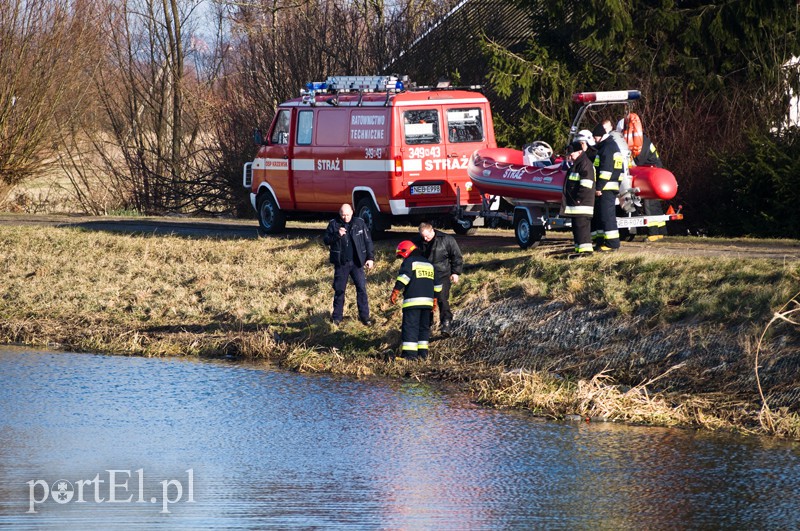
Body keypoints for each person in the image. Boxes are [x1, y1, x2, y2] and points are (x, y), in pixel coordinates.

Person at [322, 203, 375, 326]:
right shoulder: (333, 224)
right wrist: (337, 235)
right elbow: (326, 240)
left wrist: (370, 258)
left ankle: (364, 317)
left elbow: (368, 242)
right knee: (339, 290)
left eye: (347, 214)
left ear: (352, 212)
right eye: (343, 215)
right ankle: (337, 318)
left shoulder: (360, 223)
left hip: (357, 262)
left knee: (361, 288)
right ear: (339, 213)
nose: (345, 217)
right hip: (341, 263)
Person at [389, 241, 440, 359]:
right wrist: (435, 299)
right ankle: (422, 355)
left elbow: (404, 277)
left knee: (410, 327)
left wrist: (396, 291)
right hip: (427, 303)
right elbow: (437, 284)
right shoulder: (429, 264)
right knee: (423, 328)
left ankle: (409, 355)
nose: (402, 259)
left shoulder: (410, 261)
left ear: (405, 252)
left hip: (413, 301)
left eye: (401, 256)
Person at [414, 222, 463, 332]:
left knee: (441, 298)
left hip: (442, 274)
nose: (426, 239)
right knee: (426, 301)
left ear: (432, 231)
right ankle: (427, 324)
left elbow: (456, 256)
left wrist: (456, 273)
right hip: (424, 276)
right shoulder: (417, 242)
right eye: (423, 237)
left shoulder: (446, 239)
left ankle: (446, 323)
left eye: (427, 236)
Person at [590, 122, 624, 251]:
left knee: (607, 216)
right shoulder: (609, 146)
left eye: (595, 137)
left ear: (600, 136)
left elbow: (606, 171)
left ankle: (612, 244)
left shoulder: (607, 148)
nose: (594, 140)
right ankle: (601, 241)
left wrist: (599, 187)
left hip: (606, 188)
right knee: (601, 215)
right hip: (608, 187)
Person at [561, 140, 596, 256]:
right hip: (577, 205)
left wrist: (578, 200)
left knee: (582, 229)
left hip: (582, 205)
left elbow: (586, 185)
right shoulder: (577, 164)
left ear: (579, 151)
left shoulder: (585, 164)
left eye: (572, 154)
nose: (570, 157)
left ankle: (585, 252)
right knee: (577, 229)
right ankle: (579, 251)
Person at [634, 133, 668, 241]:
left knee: (649, 203)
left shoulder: (642, 142)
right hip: (655, 171)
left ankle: (653, 233)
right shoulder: (644, 140)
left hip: (651, 173)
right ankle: (662, 232)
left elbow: (639, 160)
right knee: (655, 204)